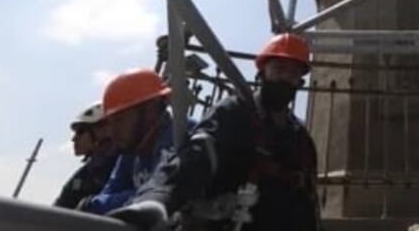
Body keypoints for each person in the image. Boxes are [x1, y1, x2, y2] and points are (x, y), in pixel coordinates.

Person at [109, 32, 319, 231]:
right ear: (262, 72)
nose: (285, 78)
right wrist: (157, 199)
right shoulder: (236, 113)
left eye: (293, 73)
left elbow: (310, 199)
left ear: (299, 82)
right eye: (279, 68)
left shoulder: (302, 139)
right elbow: (198, 153)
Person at [82, 68, 178, 215]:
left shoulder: (180, 138)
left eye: (119, 120)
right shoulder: (132, 149)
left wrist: (97, 204)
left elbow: (159, 195)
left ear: (150, 110)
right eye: (110, 123)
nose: (113, 132)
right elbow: (108, 194)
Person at [54, 102, 117, 209]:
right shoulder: (83, 175)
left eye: (81, 131)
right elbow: (61, 206)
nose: (74, 139)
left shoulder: (128, 165)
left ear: (105, 130)